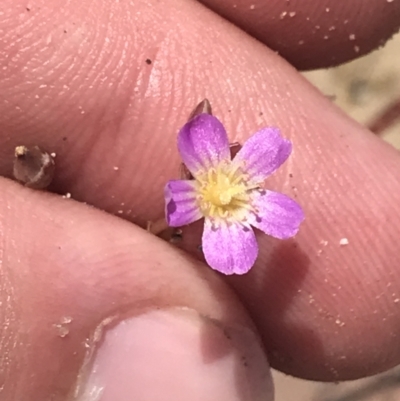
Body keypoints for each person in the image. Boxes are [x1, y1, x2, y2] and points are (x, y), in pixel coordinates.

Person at [0, 0, 399, 400]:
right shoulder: (183, 197)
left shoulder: (211, 203)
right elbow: (180, 202)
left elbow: (240, 236)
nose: (225, 193)